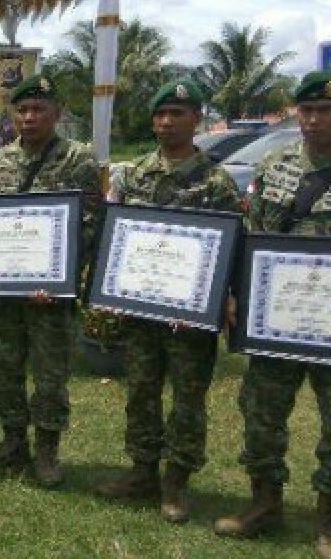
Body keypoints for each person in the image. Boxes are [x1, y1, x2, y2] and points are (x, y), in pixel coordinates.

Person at [215, 70, 331, 559]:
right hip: (275, 317)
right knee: (262, 414)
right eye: (306, 109)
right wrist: (234, 296)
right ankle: (264, 502)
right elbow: (251, 235)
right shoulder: (274, 164)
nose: (313, 119)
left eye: (326, 110)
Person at [94, 79, 242, 522]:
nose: (166, 122)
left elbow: (234, 247)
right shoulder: (135, 174)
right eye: (160, 114)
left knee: (187, 398)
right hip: (141, 310)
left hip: (190, 316)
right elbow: (114, 236)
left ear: (196, 119)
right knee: (140, 390)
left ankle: (176, 481)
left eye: (177, 114)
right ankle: (142, 470)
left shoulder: (216, 181)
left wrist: (222, 299)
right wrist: (110, 286)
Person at [0, 73, 101, 486]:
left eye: (38, 109)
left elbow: (91, 225)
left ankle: (47, 451)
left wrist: (62, 280)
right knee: (2, 369)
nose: (29, 117)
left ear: (56, 114)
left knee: (50, 376)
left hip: (51, 295)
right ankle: (12, 441)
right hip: (5, 294)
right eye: (22, 110)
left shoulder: (78, 160)